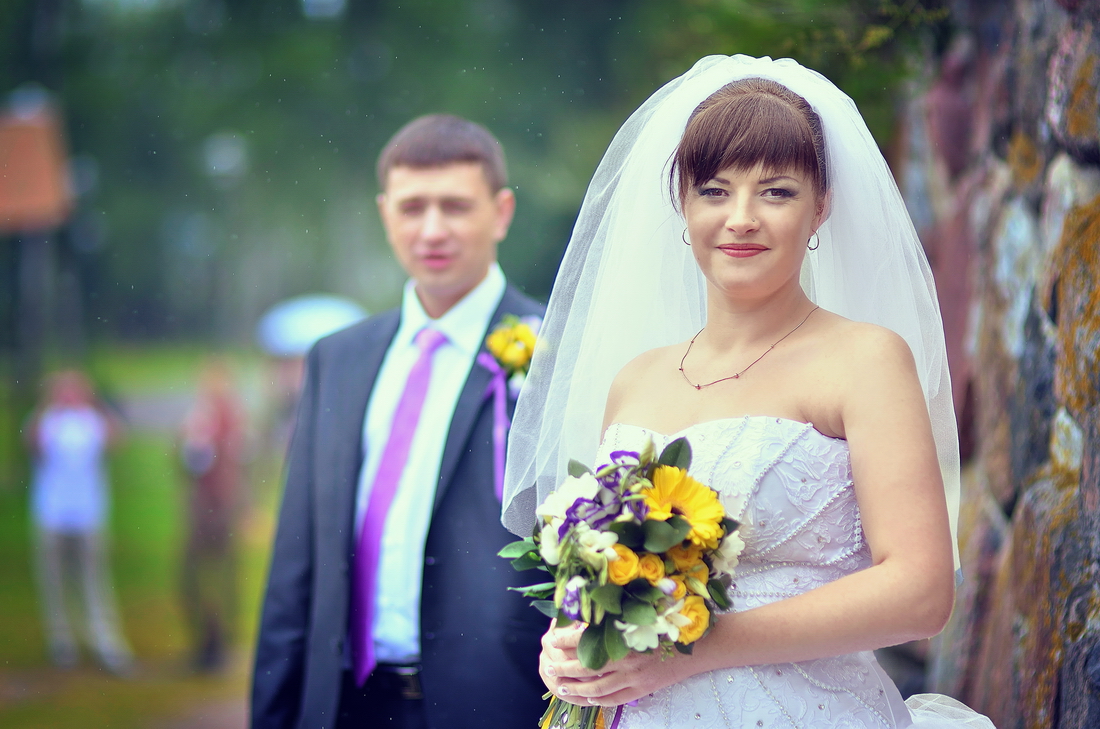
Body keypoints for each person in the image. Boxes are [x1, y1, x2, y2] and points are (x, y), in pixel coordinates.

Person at [502, 56, 996, 727]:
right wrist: (573, 639)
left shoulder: (865, 359)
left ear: (820, 207)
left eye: (776, 192)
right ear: (683, 202)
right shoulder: (636, 378)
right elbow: (604, 573)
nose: (741, 218)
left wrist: (699, 647)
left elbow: (921, 591)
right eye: (714, 190)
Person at [252, 114, 547, 729]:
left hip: (495, 700)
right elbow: (297, 558)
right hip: (345, 703)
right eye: (413, 207)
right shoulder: (337, 357)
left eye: (455, 206)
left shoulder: (555, 353)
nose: (432, 229)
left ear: (501, 212)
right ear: (386, 212)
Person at [26, 369, 134, 675]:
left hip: (88, 514)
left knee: (94, 581)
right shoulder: (48, 421)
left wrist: (98, 404)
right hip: (52, 514)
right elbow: (33, 445)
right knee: (55, 583)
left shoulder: (92, 421)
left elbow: (118, 440)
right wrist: (46, 405)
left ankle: (104, 640)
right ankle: (62, 642)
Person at [179, 359, 246, 672]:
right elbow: (187, 463)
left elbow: (239, 466)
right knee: (193, 577)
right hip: (200, 510)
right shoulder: (198, 418)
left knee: (221, 579)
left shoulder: (232, 419)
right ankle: (205, 640)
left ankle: (218, 644)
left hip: (222, 510)